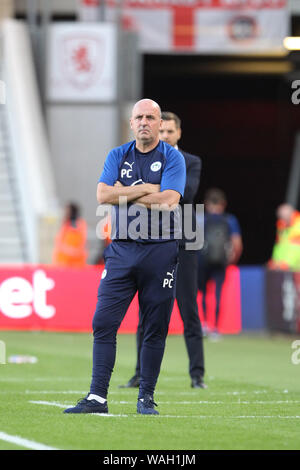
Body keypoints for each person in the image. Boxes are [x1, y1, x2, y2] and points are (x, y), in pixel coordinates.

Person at [64, 99, 186, 415]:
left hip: (160, 250)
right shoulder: (117, 155)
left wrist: (126, 192)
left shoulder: (173, 158)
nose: (144, 122)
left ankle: (146, 397)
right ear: (131, 124)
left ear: (160, 124)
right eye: (139, 117)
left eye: (151, 117)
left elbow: (170, 200)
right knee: (103, 322)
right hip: (121, 249)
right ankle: (97, 398)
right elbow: (103, 195)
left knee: (154, 327)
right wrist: (146, 187)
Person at [120, 111, 207, 390]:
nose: (166, 136)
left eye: (171, 132)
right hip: (153, 239)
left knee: (188, 309)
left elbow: (187, 194)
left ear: (179, 133)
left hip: (184, 241)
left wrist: (146, 191)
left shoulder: (191, 162)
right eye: (163, 131)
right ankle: (138, 373)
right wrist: (159, 192)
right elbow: (130, 196)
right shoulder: (145, 160)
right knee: (147, 309)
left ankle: (197, 375)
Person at [197, 188, 243, 339]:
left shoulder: (200, 218)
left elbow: (192, 242)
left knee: (203, 293)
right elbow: (237, 244)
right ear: (223, 204)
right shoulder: (230, 220)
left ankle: (204, 324)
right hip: (221, 261)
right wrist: (231, 260)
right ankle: (216, 329)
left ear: (206, 203)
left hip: (202, 260)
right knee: (218, 293)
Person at [52, 202, 88, 268]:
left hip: (77, 261)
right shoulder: (65, 224)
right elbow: (59, 241)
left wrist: (74, 251)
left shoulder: (80, 223)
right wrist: (68, 250)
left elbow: (82, 241)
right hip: (64, 261)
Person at [268, 203, 300, 271]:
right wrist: (275, 262)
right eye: (280, 218)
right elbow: (279, 247)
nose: (282, 221)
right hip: (282, 269)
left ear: (292, 214)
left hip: (296, 270)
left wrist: (287, 264)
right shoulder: (281, 226)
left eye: (284, 218)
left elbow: (296, 249)